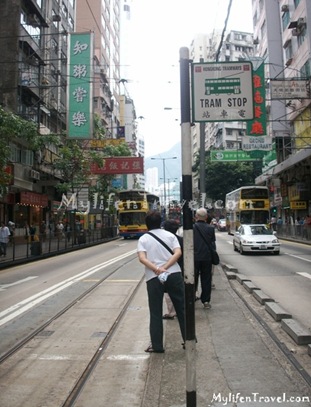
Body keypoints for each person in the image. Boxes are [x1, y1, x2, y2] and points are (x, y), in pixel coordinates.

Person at [137, 211, 185, 353]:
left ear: (147, 224)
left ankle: (157, 346)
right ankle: (189, 340)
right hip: (174, 274)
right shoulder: (170, 236)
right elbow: (178, 253)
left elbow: (142, 258)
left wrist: (157, 269)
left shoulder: (143, 239)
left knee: (155, 311)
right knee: (181, 308)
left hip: (153, 277)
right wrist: (165, 267)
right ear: (161, 222)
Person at [193, 208, 216, 309]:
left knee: (193, 278)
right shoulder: (211, 228)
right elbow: (212, 243)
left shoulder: (191, 228)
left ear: (196, 217)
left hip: (194, 257)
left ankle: (192, 295)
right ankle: (206, 301)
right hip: (207, 257)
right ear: (206, 217)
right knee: (206, 279)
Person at [162, 219, 183, 320]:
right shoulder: (181, 240)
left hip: (165, 270)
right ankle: (180, 311)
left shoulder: (161, 240)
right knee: (179, 292)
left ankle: (171, 312)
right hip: (179, 270)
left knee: (167, 292)